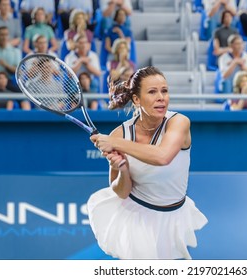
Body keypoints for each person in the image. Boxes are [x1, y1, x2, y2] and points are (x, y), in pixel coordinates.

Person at [88, 66, 208, 259]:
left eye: (164, 91)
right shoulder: (120, 133)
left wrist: (115, 143)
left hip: (174, 214)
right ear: (136, 99)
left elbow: (162, 156)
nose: (161, 97)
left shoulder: (179, 122)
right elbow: (121, 191)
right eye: (152, 92)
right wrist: (122, 168)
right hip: (137, 216)